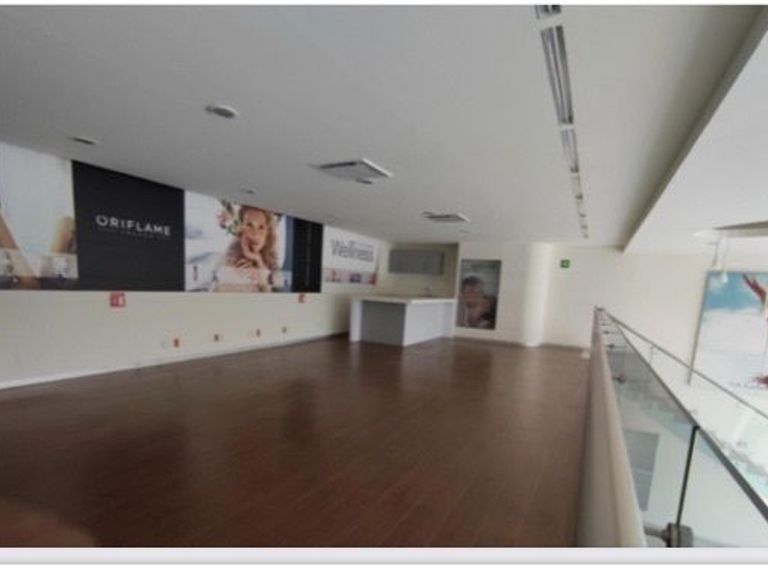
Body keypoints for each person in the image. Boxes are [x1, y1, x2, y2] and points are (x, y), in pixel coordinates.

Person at [218, 205, 280, 292]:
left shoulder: (271, 263)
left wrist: (259, 262)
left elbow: (273, 296)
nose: (255, 233)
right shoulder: (229, 262)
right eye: (249, 225)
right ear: (240, 229)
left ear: (267, 234)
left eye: (261, 227)